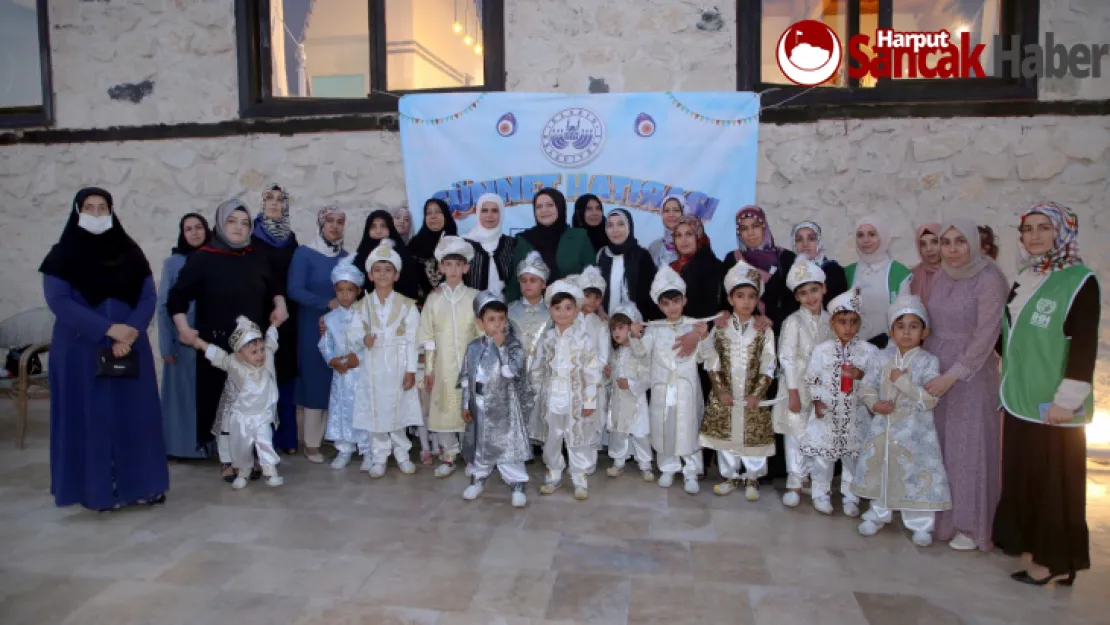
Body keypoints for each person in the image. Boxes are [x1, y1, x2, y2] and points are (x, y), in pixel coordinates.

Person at [41, 187, 168, 510]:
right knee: (92, 419)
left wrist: (130, 333)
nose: (96, 214)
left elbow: (148, 297)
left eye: (102, 208)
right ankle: (97, 491)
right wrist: (108, 329)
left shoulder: (130, 251)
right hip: (81, 349)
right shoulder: (62, 255)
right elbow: (59, 301)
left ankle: (143, 486)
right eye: (90, 208)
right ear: (77, 211)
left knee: (134, 419)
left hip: (130, 348)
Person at [994, 202, 1099, 585]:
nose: (1034, 236)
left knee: (1056, 484)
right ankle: (1046, 552)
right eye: (1028, 229)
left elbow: (1083, 345)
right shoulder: (1027, 276)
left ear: (1062, 233)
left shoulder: (1079, 280)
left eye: (1044, 228)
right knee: (1029, 479)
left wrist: (1066, 400)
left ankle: (1052, 560)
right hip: (1021, 398)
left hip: (1054, 404)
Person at [167, 199, 289, 482]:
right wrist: (183, 326)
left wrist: (279, 304)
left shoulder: (256, 254)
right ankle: (228, 459)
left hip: (253, 346)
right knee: (225, 406)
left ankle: (255, 455)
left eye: (245, 223)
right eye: (232, 221)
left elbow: (274, 285)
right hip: (219, 344)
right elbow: (177, 296)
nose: (238, 227)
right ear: (220, 224)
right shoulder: (204, 257)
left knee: (254, 402)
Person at [923, 218, 1008, 552]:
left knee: (968, 447)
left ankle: (969, 524)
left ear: (974, 243)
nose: (952, 249)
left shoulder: (989, 279)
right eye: (946, 242)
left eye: (960, 241)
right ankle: (943, 517)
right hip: (937, 365)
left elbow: (987, 333)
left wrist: (953, 374)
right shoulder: (943, 275)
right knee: (942, 444)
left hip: (970, 375)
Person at [854, 295, 951, 547]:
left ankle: (920, 524)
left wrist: (903, 382)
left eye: (913, 326)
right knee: (882, 470)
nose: (906, 332)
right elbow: (866, 387)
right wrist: (875, 404)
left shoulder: (929, 362)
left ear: (924, 332)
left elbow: (929, 400)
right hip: (883, 429)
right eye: (900, 326)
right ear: (891, 331)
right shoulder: (880, 358)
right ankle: (878, 514)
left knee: (915, 474)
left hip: (916, 432)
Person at [630, 266, 710, 495]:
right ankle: (667, 467)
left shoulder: (694, 325)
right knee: (664, 426)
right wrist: (635, 335)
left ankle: (692, 471)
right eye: (665, 303)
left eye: (676, 301)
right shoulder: (654, 329)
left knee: (688, 427)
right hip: (662, 387)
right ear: (659, 305)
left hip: (686, 387)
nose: (671, 307)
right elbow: (641, 353)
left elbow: (706, 356)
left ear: (684, 300)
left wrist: (703, 336)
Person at [798, 287, 878, 516]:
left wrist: (860, 376)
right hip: (828, 413)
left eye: (853, 322)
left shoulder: (868, 352)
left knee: (852, 459)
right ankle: (820, 493)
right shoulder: (822, 351)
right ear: (832, 324)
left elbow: (876, 382)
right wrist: (817, 402)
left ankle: (851, 497)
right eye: (843, 322)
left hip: (855, 415)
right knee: (823, 458)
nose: (848, 328)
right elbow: (811, 378)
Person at [701, 260, 777, 501]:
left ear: (758, 300)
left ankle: (752, 477)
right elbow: (712, 360)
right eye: (740, 296)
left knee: (753, 436)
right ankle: (730, 475)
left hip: (753, 393)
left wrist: (757, 393)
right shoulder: (721, 327)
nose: (746, 302)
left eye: (751, 296)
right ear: (731, 299)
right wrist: (721, 391)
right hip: (726, 392)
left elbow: (769, 363)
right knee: (726, 437)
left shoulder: (764, 329)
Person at [351, 240, 422, 477]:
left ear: (397, 274)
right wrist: (363, 340)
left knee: (398, 411)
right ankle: (379, 456)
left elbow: (413, 340)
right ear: (370, 275)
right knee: (376, 412)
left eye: (388, 270)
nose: (383, 275)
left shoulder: (407, 305)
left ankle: (402, 454)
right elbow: (351, 335)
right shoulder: (362, 306)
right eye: (378, 270)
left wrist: (411, 370)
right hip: (372, 366)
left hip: (398, 364)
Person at [458, 291, 533, 508]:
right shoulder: (473, 347)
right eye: (491, 320)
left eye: (501, 319)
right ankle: (478, 478)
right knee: (481, 446)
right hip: (479, 404)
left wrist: (501, 347)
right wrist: (465, 404)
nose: (497, 325)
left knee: (507, 446)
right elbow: (466, 379)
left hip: (504, 406)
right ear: (480, 322)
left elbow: (512, 372)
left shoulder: (513, 345)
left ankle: (517, 482)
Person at [192, 316, 284, 489]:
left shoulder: (268, 359)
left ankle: (270, 472)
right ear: (240, 355)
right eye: (254, 352)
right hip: (242, 416)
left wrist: (274, 325)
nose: (260, 355)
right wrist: (198, 342)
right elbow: (219, 356)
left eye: (261, 350)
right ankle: (243, 472)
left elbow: (271, 340)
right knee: (242, 448)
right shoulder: (235, 365)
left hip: (262, 415)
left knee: (265, 442)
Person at [531, 279, 602, 500]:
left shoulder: (584, 340)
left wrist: (589, 401)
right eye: (557, 308)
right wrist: (536, 394)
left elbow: (592, 371)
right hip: (552, 398)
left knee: (576, 438)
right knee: (552, 438)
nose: (563, 313)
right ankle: (553, 472)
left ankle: (579, 477)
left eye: (568, 308)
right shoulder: (547, 340)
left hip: (576, 399)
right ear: (550, 310)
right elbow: (537, 368)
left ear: (577, 310)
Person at [287, 204, 348, 463]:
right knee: (315, 380)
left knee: (335, 380)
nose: (335, 226)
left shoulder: (345, 256)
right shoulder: (305, 253)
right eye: (330, 221)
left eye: (340, 221)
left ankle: (327, 437)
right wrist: (327, 302)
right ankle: (311, 443)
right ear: (321, 224)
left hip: (339, 328)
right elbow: (294, 289)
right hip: (313, 326)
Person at [418, 236, 479, 479]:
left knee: (469, 411)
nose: (453, 270)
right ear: (440, 267)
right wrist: (429, 371)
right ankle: (449, 455)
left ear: (466, 268)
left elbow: (482, 333)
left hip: (469, 367)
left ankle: (471, 456)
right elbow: (428, 336)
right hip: (442, 369)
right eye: (447, 264)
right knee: (443, 411)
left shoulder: (476, 297)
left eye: (458, 264)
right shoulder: (433, 300)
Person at [773, 256, 831, 508]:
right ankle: (795, 482)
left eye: (814, 290)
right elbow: (786, 358)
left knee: (820, 436)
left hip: (824, 389)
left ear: (824, 289)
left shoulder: (832, 321)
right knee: (796, 435)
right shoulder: (792, 322)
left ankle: (817, 486)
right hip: (796, 386)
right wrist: (794, 392)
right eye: (804, 293)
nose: (810, 297)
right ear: (796, 297)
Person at [250, 183, 300, 453]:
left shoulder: (291, 239)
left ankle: (288, 439)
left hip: (287, 318)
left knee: (286, 376)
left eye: (280, 200)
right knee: (262, 376)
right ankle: (263, 440)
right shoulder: (252, 238)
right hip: (262, 313)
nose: (274, 203)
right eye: (268, 198)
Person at [157, 212, 211, 458]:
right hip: (182, 339)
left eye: (198, 227)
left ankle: (209, 446)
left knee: (208, 395)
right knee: (181, 397)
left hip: (210, 337)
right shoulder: (173, 263)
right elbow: (163, 305)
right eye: (188, 229)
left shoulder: (216, 258)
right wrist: (166, 345)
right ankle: (179, 447)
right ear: (182, 233)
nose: (194, 233)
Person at [320, 256, 371, 470]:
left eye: (349, 290)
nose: (345, 295)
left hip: (361, 373)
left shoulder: (366, 315)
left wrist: (356, 359)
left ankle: (368, 450)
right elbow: (325, 343)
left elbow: (370, 343)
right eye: (340, 290)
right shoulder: (330, 318)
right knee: (342, 410)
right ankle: (344, 449)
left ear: (358, 291)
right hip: (341, 374)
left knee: (363, 410)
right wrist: (332, 360)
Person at [506, 188, 595, 302]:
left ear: (560, 207)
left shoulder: (579, 237)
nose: (544, 210)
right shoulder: (523, 240)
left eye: (550, 205)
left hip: (572, 311)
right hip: (534, 313)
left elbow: (592, 278)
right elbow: (515, 283)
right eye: (539, 207)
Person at [722, 206, 798, 336]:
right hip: (742, 332)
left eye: (755, 226)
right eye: (744, 229)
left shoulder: (786, 258)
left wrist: (773, 320)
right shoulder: (733, 259)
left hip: (780, 333)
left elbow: (795, 299)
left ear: (764, 227)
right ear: (739, 233)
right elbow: (725, 298)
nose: (750, 233)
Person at [844, 216, 912, 348]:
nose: (865, 240)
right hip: (854, 348)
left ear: (883, 236)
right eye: (860, 235)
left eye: (872, 234)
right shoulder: (848, 272)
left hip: (889, 348)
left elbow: (904, 317)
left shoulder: (898, 272)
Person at [604, 303, 653, 481]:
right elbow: (610, 379)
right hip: (618, 400)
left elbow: (647, 377)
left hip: (636, 400)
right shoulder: (615, 353)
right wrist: (608, 376)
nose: (617, 332)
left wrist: (631, 384)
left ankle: (645, 464)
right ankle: (618, 461)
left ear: (631, 328)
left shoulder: (639, 352)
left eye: (621, 328)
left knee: (639, 433)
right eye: (613, 329)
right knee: (619, 431)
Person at [508, 251, 552, 443]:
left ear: (543, 284)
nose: (527, 285)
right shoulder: (510, 309)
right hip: (518, 371)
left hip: (544, 371)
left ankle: (543, 442)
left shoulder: (553, 311)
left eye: (533, 280)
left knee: (543, 408)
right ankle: (521, 443)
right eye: (524, 280)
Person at [351, 210, 428, 302]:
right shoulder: (360, 257)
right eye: (373, 226)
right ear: (368, 229)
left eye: (383, 226)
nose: (378, 231)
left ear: (390, 228)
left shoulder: (402, 254)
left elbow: (411, 282)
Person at [597, 208, 659, 319]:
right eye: (610, 225)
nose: (615, 230)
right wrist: (600, 311)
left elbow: (650, 295)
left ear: (629, 227)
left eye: (621, 224)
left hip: (636, 325)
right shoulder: (602, 255)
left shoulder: (642, 255)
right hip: (604, 323)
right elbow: (596, 289)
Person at [671, 215, 723, 319]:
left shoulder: (715, 267)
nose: (683, 240)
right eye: (678, 235)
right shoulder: (672, 268)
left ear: (698, 236)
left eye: (689, 234)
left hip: (706, 329)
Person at [463, 193, 516, 295]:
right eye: (484, 210)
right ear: (478, 213)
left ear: (501, 214)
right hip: (471, 305)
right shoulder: (464, 243)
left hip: (506, 306)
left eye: (494, 211)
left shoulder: (511, 243)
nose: (489, 215)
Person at [790, 221, 848, 307]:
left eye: (811, 239)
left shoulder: (833, 271)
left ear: (819, 242)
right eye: (799, 240)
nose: (805, 244)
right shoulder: (790, 273)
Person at [409, 198, 458, 291]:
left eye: (438, 212)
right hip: (423, 303)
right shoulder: (415, 245)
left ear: (446, 215)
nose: (433, 216)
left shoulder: (457, 244)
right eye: (428, 213)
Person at [648, 194, 686, 267]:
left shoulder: (691, 246)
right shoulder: (654, 246)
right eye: (666, 210)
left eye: (676, 210)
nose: (671, 214)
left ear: (683, 214)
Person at [910, 223, 943, 305]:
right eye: (923, 244)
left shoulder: (955, 273)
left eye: (934, 242)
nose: (929, 249)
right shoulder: (912, 276)